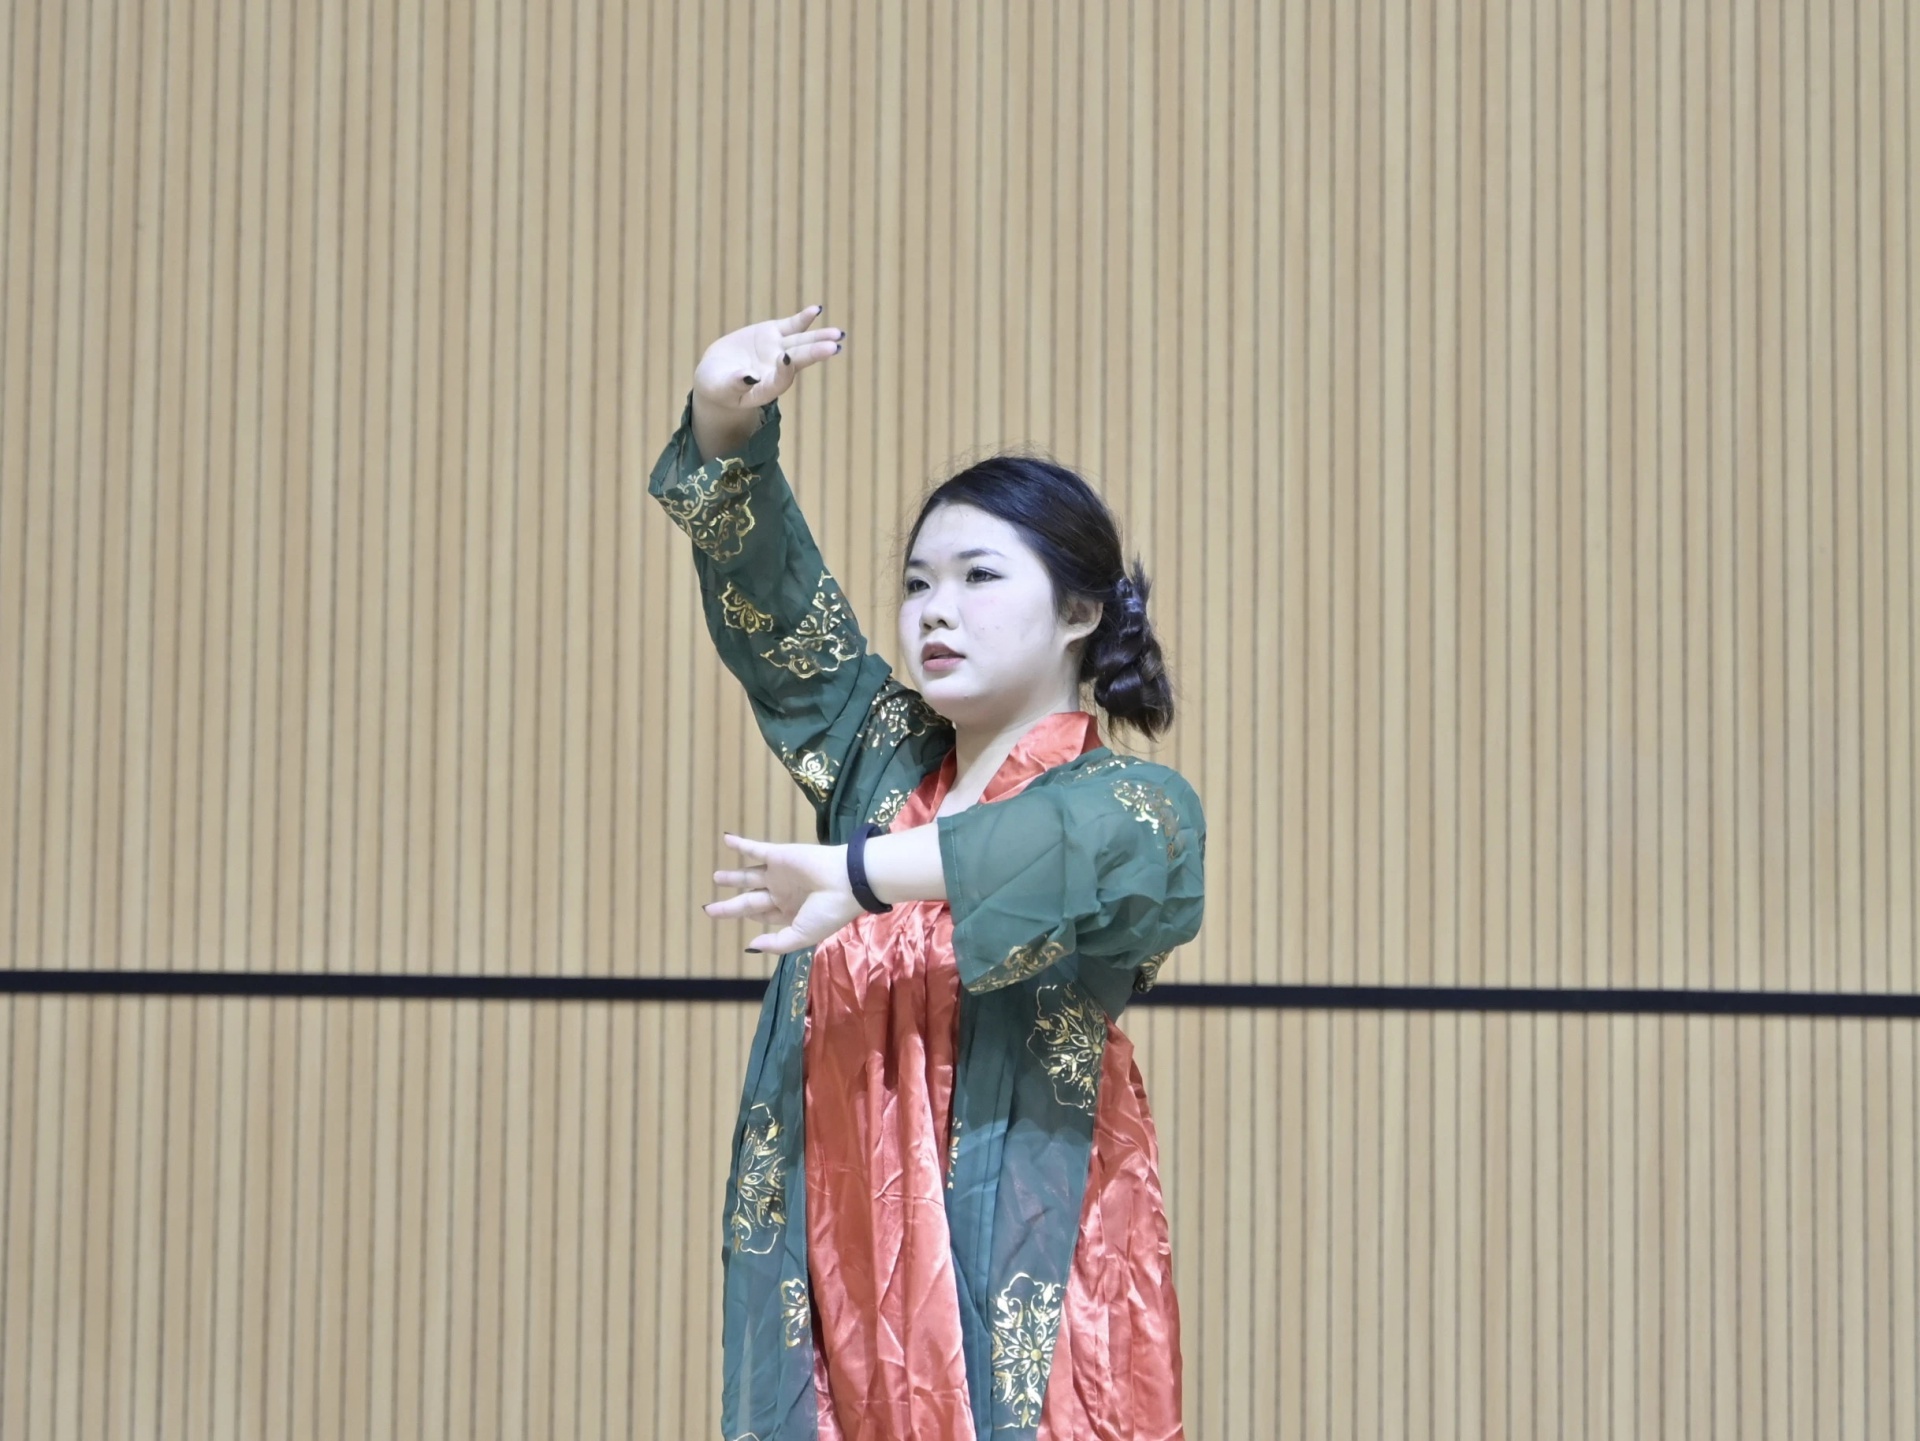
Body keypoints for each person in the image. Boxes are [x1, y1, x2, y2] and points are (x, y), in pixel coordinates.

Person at [650, 304, 1207, 1440]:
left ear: (1080, 611)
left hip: (1030, 1284)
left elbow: (1078, 849)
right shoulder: (879, 757)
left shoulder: (1132, 803)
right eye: (917, 583)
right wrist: (722, 421)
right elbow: (783, 620)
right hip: (842, 1282)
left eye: (978, 576)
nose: (935, 609)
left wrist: (862, 874)